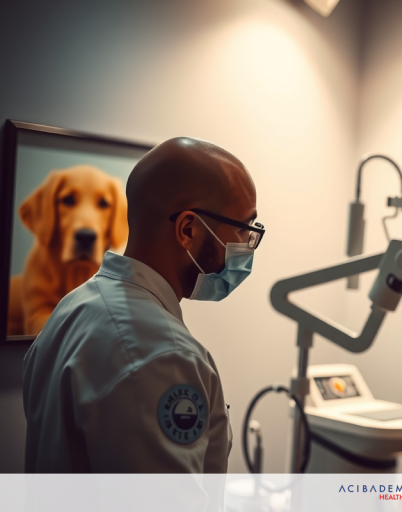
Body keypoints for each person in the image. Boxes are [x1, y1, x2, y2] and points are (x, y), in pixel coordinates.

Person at [22, 137, 264, 473]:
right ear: (188, 230)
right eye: (243, 230)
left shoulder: (72, 309)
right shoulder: (164, 355)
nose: (247, 247)